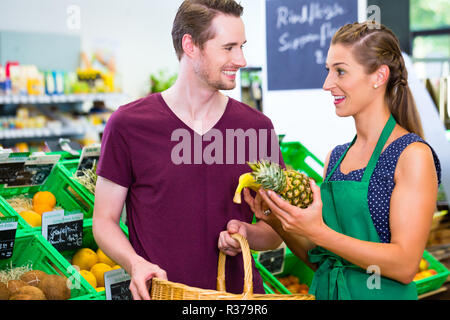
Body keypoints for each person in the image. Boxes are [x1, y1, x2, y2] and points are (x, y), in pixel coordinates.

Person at [92, 0, 283, 300]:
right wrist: (135, 264)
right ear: (190, 45)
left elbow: (273, 231)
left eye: (242, 46)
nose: (242, 59)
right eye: (229, 47)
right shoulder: (128, 125)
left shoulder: (256, 129)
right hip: (164, 295)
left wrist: (248, 234)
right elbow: (103, 220)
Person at [246, 22, 441, 300]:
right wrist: (277, 220)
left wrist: (320, 233)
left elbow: (405, 265)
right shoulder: (336, 158)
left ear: (378, 76)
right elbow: (322, 261)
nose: (327, 84)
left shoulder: (411, 156)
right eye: (328, 71)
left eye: (340, 71)